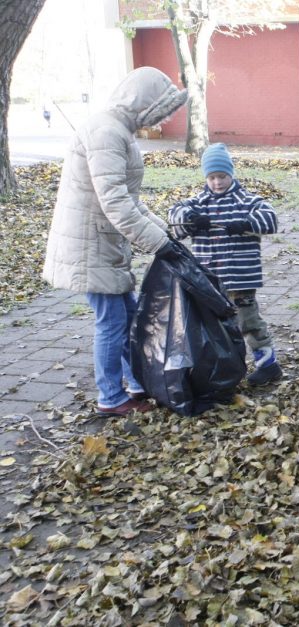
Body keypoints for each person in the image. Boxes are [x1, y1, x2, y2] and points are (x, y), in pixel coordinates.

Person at [42, 66, 188, 417]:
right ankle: (111, 396)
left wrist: (165, 234)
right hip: (91, 246)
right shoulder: (106, 132)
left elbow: (129, 199)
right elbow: (116, 203)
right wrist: (160, 245)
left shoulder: (116, 129)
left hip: (102, 243)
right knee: (111, 321)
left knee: (128, 315)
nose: (162, 119)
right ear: (144, 103)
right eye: (160, 111)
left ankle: (136, 382)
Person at [169, 143, 283, 386]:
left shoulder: (246, 201)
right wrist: (189, 220)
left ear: (231, 174)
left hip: (240, 278)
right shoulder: (198, 203)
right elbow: (175, 218)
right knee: (212, 326)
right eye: (211, 177)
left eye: (222, 176)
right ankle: (222, 366)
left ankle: (268, 365)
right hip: (209, 281)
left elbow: (270, 218)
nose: (217, 182)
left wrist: (245, 224)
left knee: (248, 322)